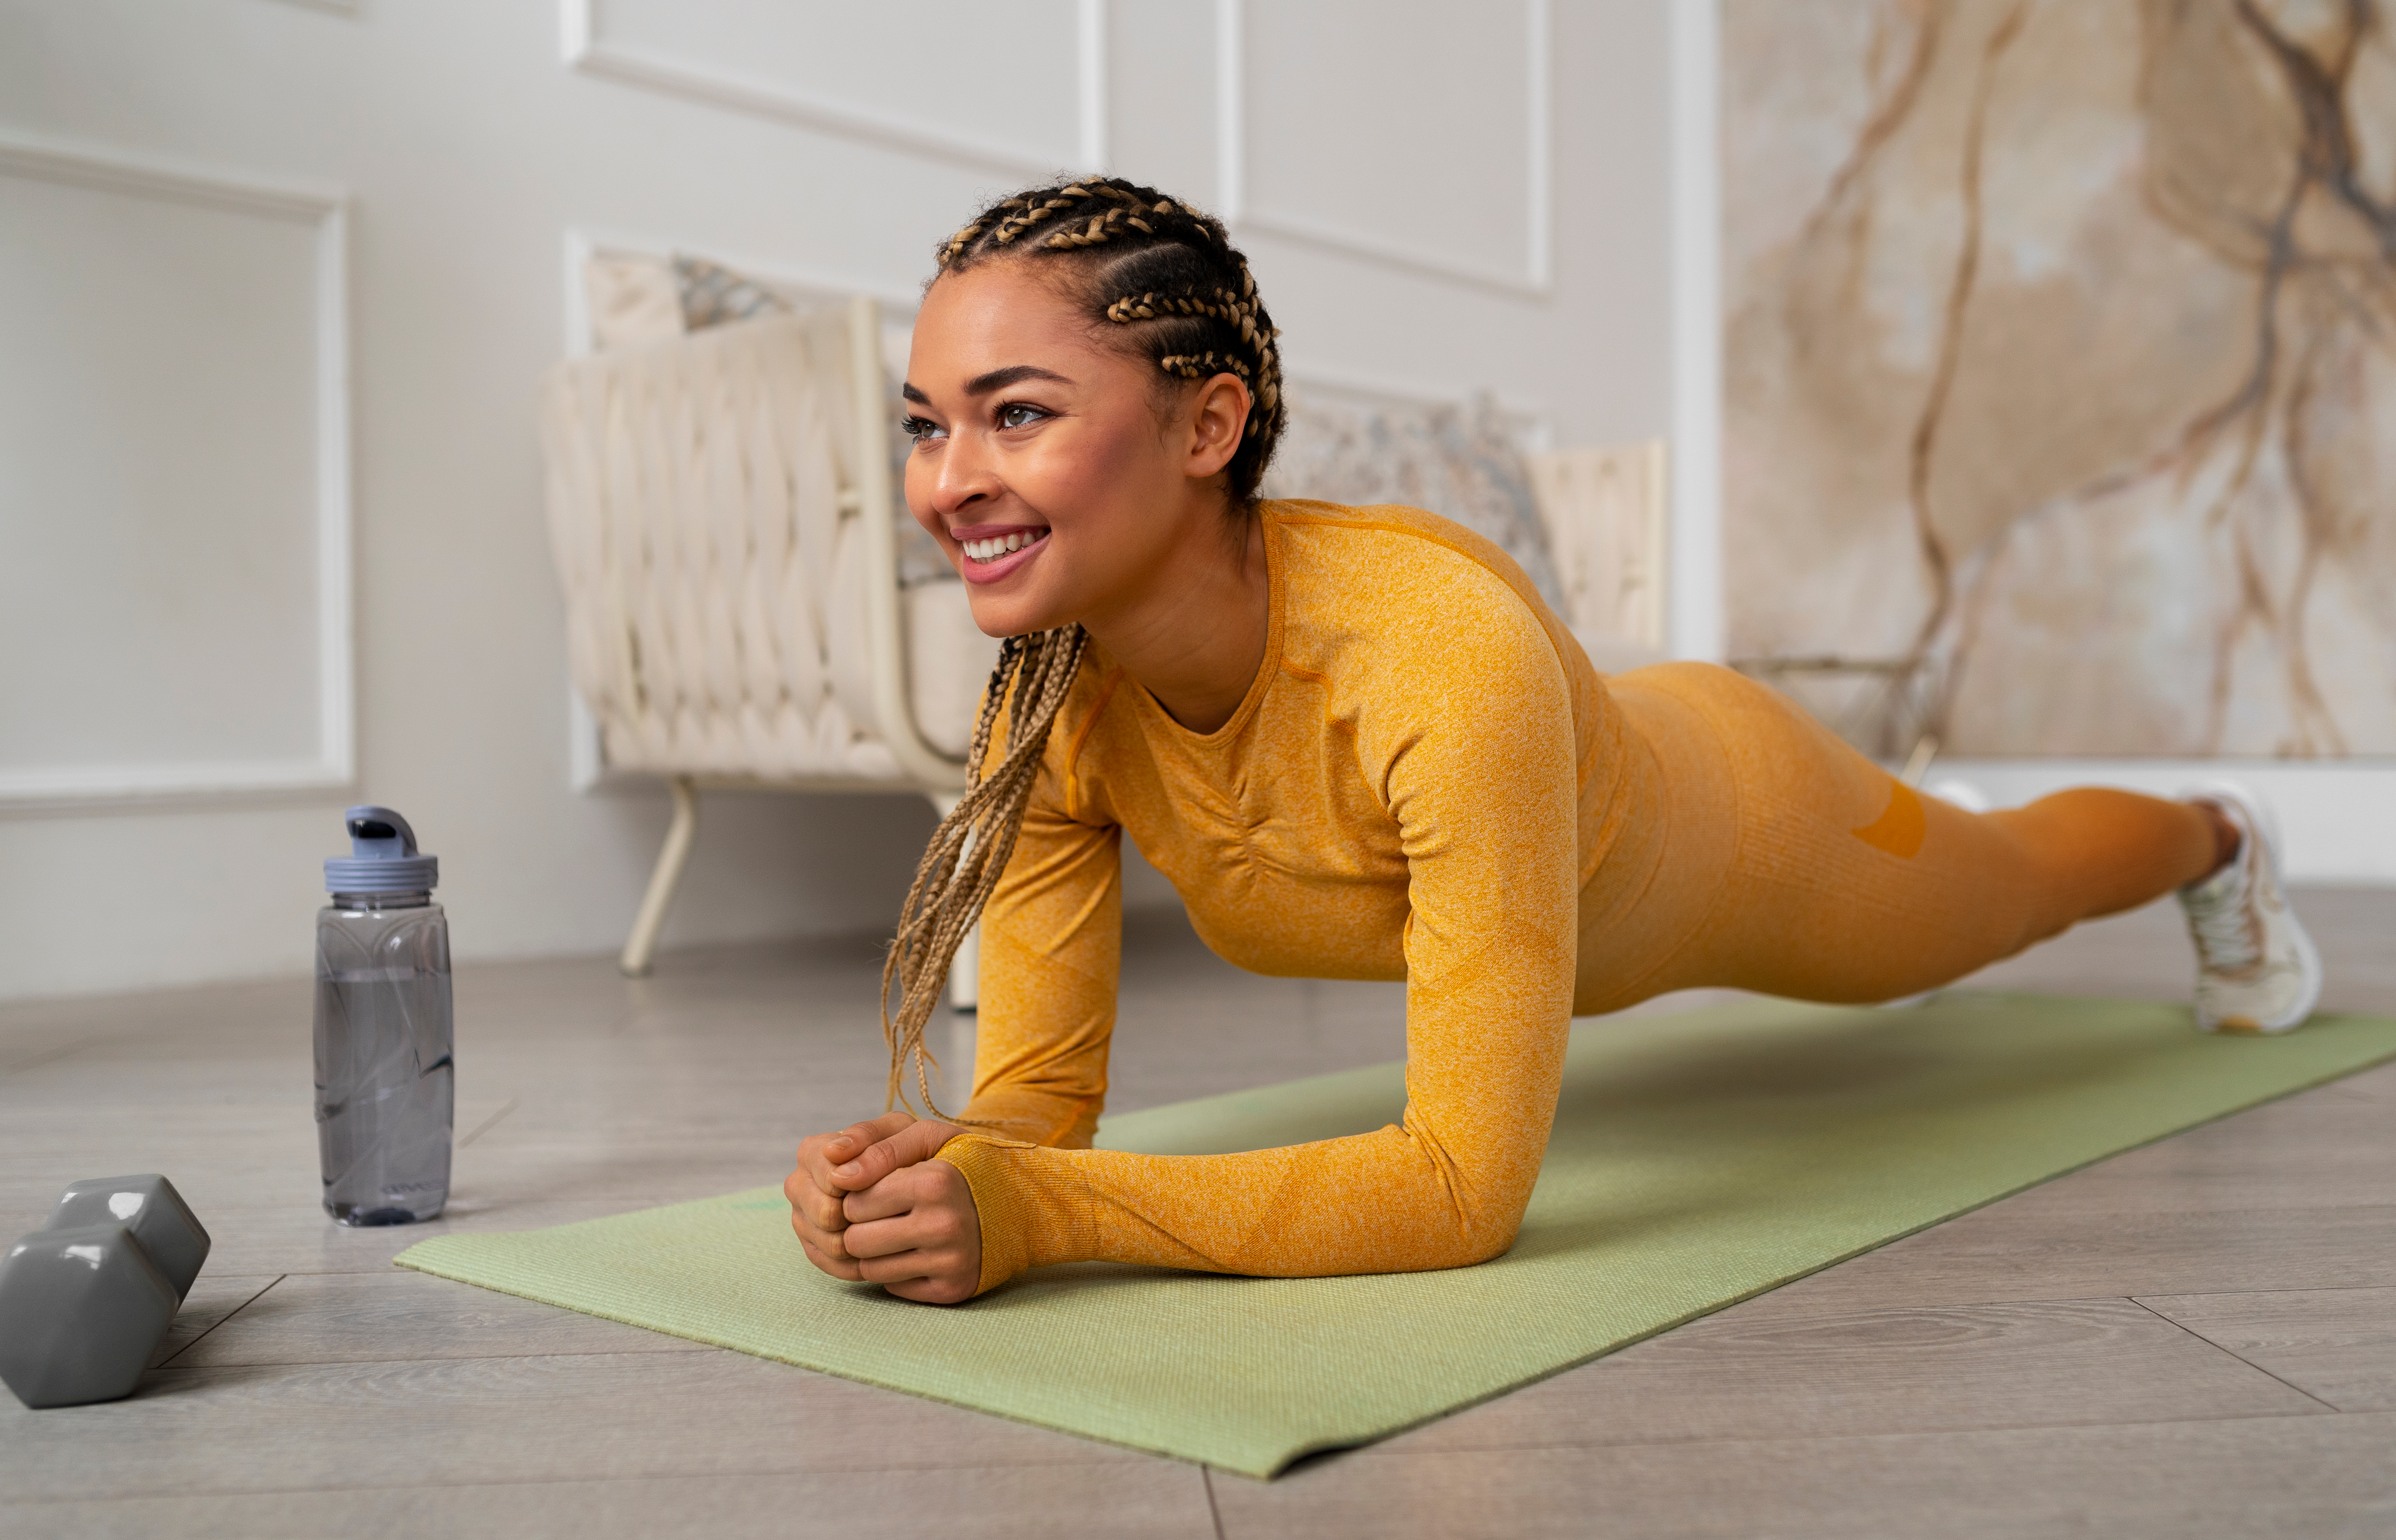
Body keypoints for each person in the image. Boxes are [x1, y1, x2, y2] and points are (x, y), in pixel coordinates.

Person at [782, 177, 2323, 1307]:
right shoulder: (1044, 704)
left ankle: (2217, 833)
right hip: (1588, 802)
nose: (947, 481)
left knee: (2004, 887)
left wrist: (1049, 1214)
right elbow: (1034, 1114)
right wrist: (932, 1184)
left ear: (1206, 428)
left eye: (1015, 414)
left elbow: (1459, 1191)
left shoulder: (1435, 659)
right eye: (925, 424)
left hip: (1750, 822)